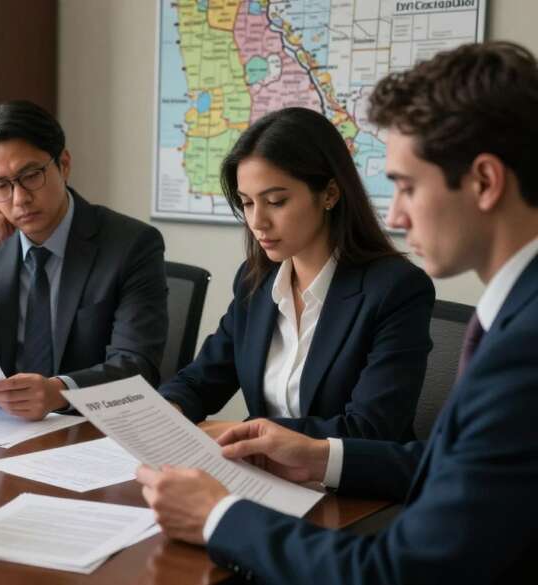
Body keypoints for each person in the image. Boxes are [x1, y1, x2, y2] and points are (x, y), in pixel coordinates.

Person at [137, 41, 538, 583]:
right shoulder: (513, 316)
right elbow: (449, 467)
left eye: (406, 186)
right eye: (248, 203)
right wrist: (316, 454)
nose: (395, 212)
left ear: (485, 182)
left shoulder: (521, 346)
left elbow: (399, 570)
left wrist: (218, 515)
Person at [158, 107, 434, 441]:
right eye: (247, 203)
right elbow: (201, 379)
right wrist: (170, 408)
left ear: (330, 194)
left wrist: (246, 432)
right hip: (262, 475)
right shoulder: (254, 280)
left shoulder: (395, 289)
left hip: (349, 487)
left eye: (275, 201)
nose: (257, 221)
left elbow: (370, 428)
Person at [0, 100, 169, 421]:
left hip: (88, 429)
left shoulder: (131, 244)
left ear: (63, 164)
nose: (20, 199)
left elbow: (137, 365)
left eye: (31, 175)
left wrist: (59, 392)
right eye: (1, 186)